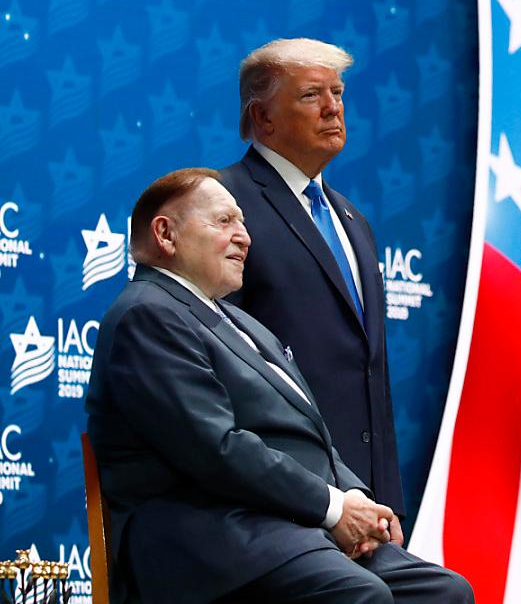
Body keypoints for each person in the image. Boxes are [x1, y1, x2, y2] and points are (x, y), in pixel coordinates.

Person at [85, 169, 473, 604]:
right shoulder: (147, 314)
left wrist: (356, 499)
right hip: (207, 537)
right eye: (225, 221)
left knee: (444, 594)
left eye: (243, 222)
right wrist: (333, 508)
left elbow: (309, 436)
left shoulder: (240, 322)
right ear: (166, 234)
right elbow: (217, 449)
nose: (244, 237)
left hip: (286, 525)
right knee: (360, 595)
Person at [219, 38, 408, 538]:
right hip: (281, 508)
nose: (333, 108)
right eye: (310, 95)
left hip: (367, 505)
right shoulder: (224, 206)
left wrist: (386, 502)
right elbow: (221, 363)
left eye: (337, 93)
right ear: (263, 118)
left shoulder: (353, 220)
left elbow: (369, 372)